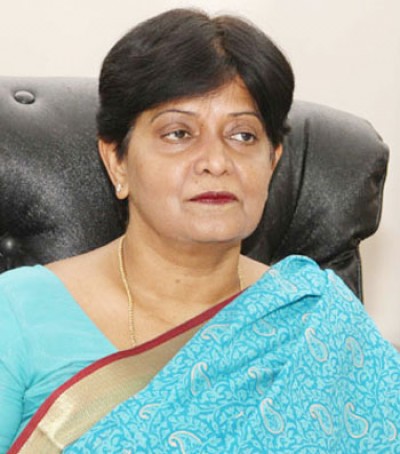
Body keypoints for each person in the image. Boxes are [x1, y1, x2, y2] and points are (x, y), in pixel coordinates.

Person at [1, 8, 399, 453]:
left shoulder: (314, 318)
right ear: (118, 162)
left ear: (272, 162)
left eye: (243, 136)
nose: (216, 161)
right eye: (178, 133)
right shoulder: (16, 313)